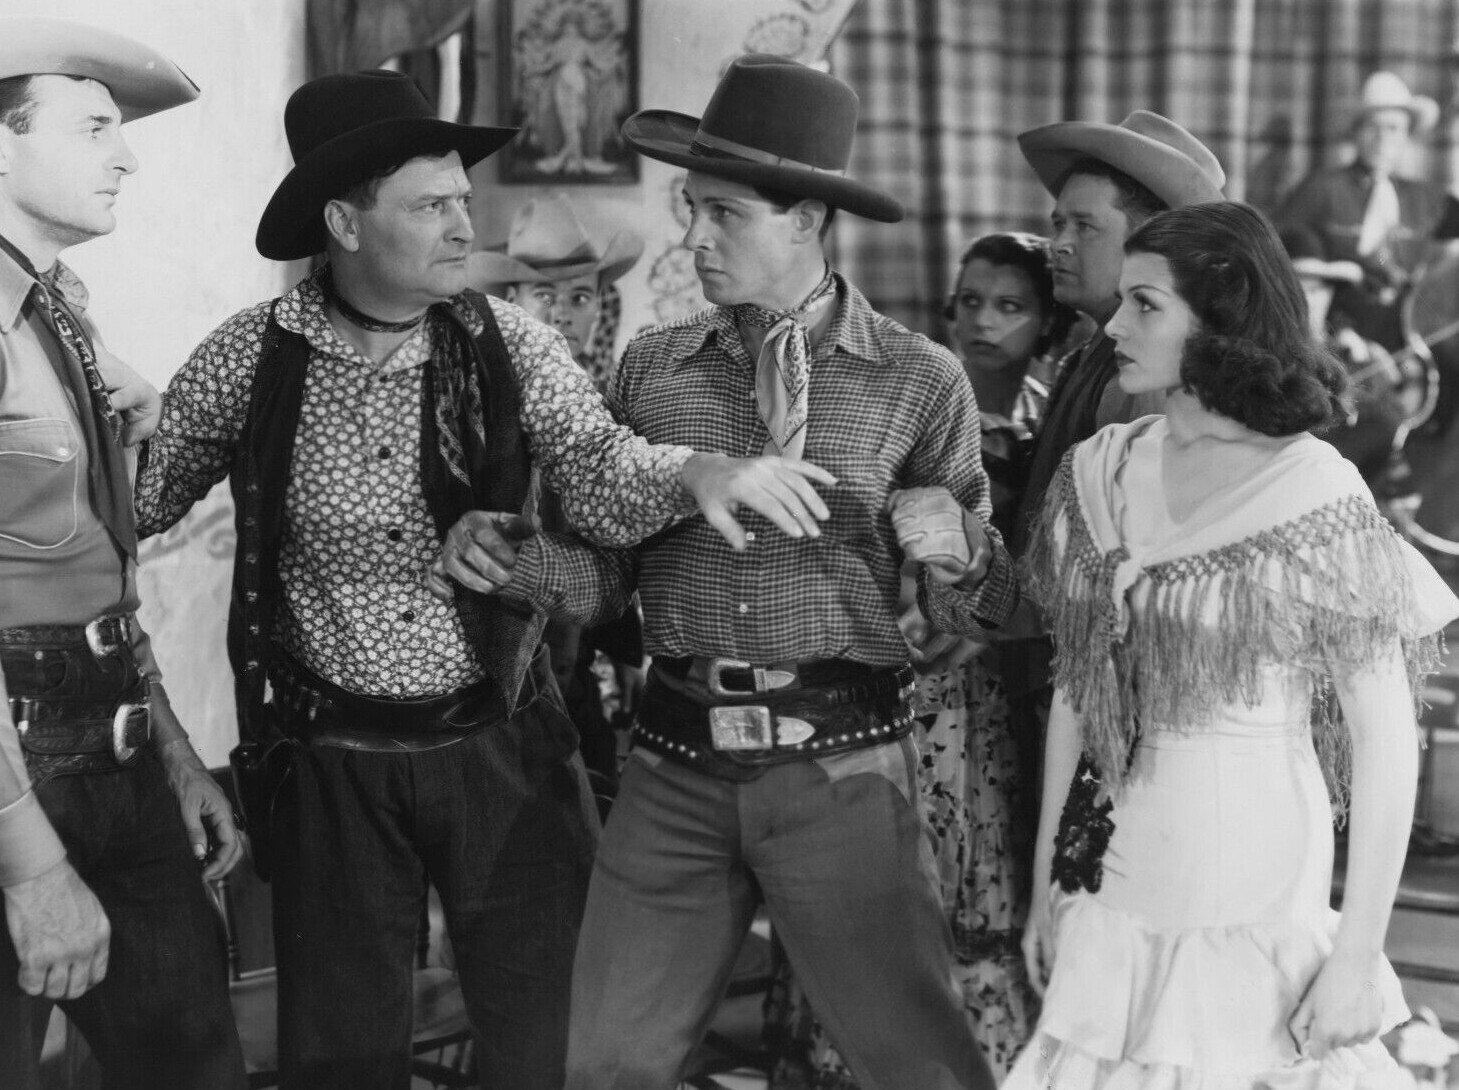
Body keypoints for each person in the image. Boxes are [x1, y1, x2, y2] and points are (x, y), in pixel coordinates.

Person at [134, 68, 835, 1090]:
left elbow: (599, 468)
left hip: (501, 747)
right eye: (432, 205)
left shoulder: (509, 343)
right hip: (331, 765)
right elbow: (129, 509)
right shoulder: (253, 358)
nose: (466, 225)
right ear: (343, 222)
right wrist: (82, 416)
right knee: (342, 1057)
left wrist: (694, 471)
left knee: (548, 1038)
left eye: (463, 198)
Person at [453, 54, 1017, 1090]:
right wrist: (519, 565)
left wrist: (964, 552)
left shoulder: (918, 380)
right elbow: (610, 586)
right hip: (671, 768)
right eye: (690, 208)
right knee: (604, 1068)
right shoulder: (652, 368)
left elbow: (981, 613)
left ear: (805, 219)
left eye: (724, 214)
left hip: (842, 771)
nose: (694, 238)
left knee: (920, 1069)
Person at [1007, 200, 1455, 1090]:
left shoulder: (1309, 487)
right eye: (1121, 300)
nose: (1115, 325)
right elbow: (1076, 688)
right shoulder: (1100, 467)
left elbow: (1383, 738)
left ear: (1219, 320)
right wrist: (1046, 884)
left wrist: (1356, 953)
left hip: (1249, 859)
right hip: (1110, 854)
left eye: (1145, 304)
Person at [764, 232, 1077, 1085]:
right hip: (897, 675)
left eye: (1010, 306)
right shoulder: (918, 403)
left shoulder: (1049, 426)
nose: (984, 322)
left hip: (998, 690)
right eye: (970, 301)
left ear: (1046, 324)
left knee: (982, 874)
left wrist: (987, 619)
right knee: (882, 877)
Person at [0, 18, 247, 1090]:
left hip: (118, 754)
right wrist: (30, 866)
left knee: (195, 1065)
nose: (127, 156)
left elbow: (101, 570)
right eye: (93, 127)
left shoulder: (60, 313)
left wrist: (173, 755)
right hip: (16, 775)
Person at [468, 192, 647, 788]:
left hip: (575, 665)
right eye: (544, 296)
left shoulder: (605, 414)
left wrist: (626, 652)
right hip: (486, 678)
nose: (563, 315)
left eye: (580, 298)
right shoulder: (475, 404)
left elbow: (610, 540)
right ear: (512, 304)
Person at [1275, 71, 1459, 352]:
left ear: (1407, 135)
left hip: (1408, 338)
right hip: (1341, 336)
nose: (1382, 138)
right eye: (1372, 126)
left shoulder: (1426, 198)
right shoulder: (1322, 188)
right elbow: (1274, 251)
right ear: (1356, 131)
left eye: (1393, 128)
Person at [1282, 226, 1411, 487]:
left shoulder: (1354, 347)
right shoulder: (1278, 354)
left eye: (1319, 288)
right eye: (1300, 288)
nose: (1311, 299)